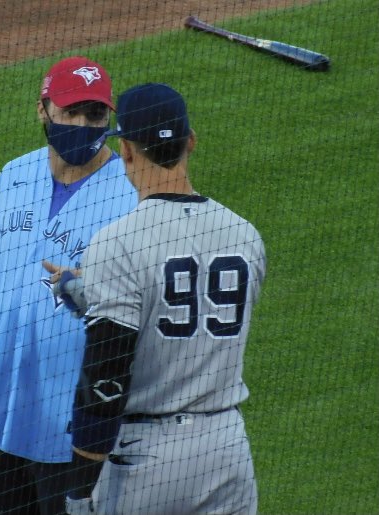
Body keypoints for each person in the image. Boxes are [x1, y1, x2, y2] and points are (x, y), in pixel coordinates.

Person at [0, 56, 138, 515]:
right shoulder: (14, 177)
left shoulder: (130, 196)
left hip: (81, 436)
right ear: (43, 110)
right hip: (2, 429)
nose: (85, 125)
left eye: (96, 115)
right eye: (71, 112)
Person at [62, 83, 266, 514]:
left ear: (129, 152)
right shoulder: (245, 235)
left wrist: (79, 490)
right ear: (191, 141)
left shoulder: (116, 244)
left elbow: (105, 379)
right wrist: (95, 293)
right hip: (228, 447)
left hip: (149, 463)